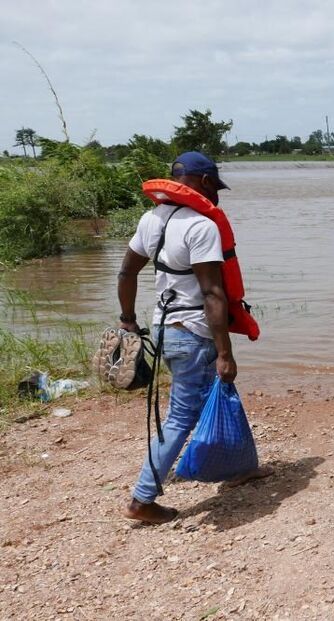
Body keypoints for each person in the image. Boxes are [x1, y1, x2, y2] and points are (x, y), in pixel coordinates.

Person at [117, 151, 264, 524]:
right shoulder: (201, 227)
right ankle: (142, 498)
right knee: (183, 415)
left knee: (215, 396)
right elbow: (213, 294)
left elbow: (126, 272)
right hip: (194, 333)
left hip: (166, 329)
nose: (216, 194)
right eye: (214, 185)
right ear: (200, 181)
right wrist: (225, 352)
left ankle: (239, 467)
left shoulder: (152, 220)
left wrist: (129, 320)